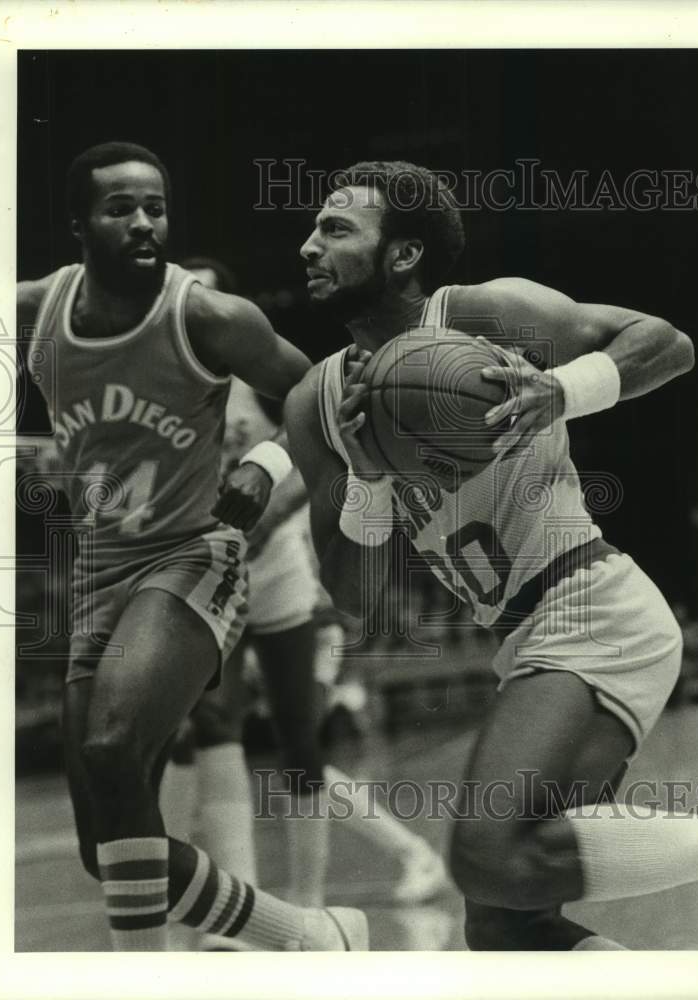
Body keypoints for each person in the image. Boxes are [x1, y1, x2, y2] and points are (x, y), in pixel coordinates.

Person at [285, 160, 698, 950]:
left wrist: (563, 391)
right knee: (506, 923)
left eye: (336, 229)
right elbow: (355, 599)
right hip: (521, 640)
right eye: (312, 227)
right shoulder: (315, 406)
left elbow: (668, 344)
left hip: (590, 605)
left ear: (403, 254)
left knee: (484, 855)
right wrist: (370, 481)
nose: (309, 245)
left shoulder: (484, 313)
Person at [17, 141, 367, 951]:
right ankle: (309, 936)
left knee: (113, 746)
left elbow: (328, 396)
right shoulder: (34, 310)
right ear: (78, 224)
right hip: (99, 574)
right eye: (120, 209)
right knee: (104, 848)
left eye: (156, 207)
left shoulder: (208, 316)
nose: (145, 223)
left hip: (193, 558)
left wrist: (268, 461)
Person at [159, 258, 448, 950]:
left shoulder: (258, 380)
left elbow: (318, 461)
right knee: (200, 731)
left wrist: (259, 520)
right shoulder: (164, 386)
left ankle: (315, 901)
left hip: (288, 577)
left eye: (211, 297)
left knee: (301, 752)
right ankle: (235, 910)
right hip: (214, 577)